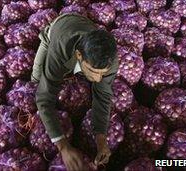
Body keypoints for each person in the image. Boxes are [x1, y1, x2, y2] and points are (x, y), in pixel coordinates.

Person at [31, 13, 118, 171]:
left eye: (102, 73)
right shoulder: (61, 47)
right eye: (93, 70)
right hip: (59, 29)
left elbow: (103, 96)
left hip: (84, 25)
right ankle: (46, 38)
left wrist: (101, 140)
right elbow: (45, 97)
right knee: (36, 80)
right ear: (79, 55)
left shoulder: (109, 60)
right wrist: (63, 146)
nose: (98, 79)